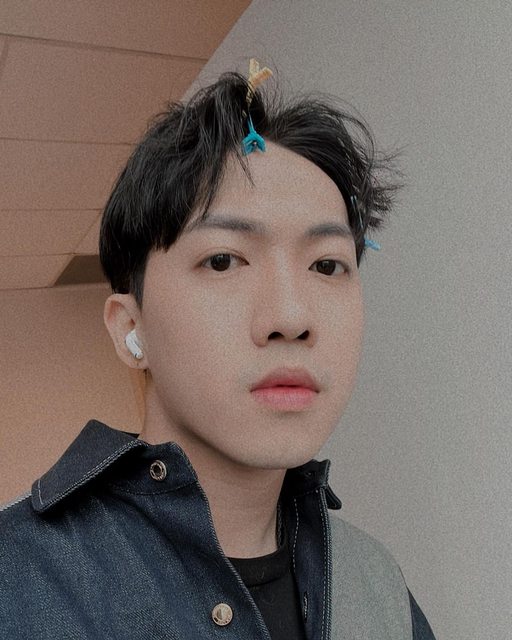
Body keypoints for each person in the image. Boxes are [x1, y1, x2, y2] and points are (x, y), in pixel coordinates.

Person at [0, 60, 436, 639]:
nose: (291, 318)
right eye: (224, 260)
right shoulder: (17, 581)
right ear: (131, 328)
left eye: (327, 265)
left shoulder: (376, 583)